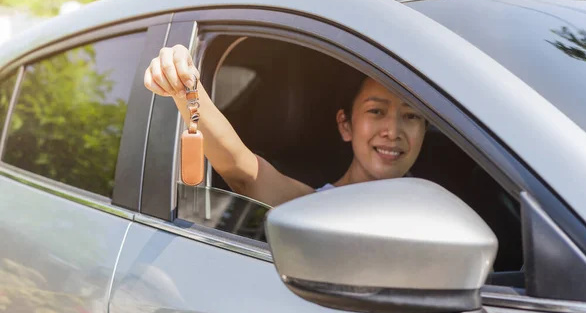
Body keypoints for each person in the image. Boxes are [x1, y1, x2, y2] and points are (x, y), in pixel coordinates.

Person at [144, 45, 427, 207]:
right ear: (345, 124)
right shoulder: (312, 207)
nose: (393, 131)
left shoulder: (441, 209)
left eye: (412, 116)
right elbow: (241, 169)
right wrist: (184, 87)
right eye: (376, 111)